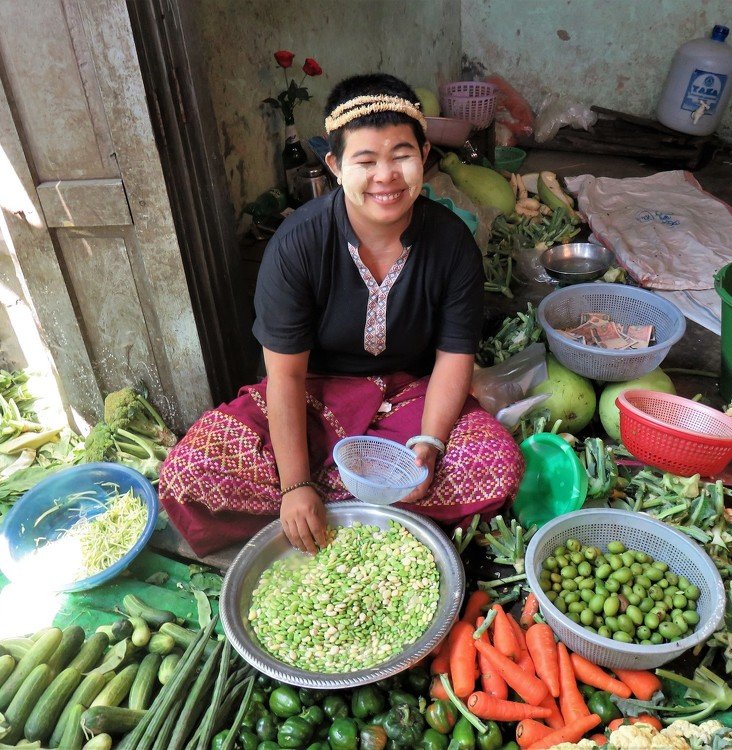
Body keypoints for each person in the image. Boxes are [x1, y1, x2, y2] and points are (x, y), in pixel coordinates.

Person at [159, 73, 524, 556]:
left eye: (401, 155)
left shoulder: (452, 243)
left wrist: (430, 446)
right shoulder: (296, 245)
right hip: (311, 397)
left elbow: (454, 357)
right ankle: (358, 503)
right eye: (365, 160)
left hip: (408, 400)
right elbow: (285, 378)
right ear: (334, 165)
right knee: (189, 474)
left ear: (425, 157)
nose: (385, 176)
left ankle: (341, 503)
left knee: (496, 463)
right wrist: (293, 485)